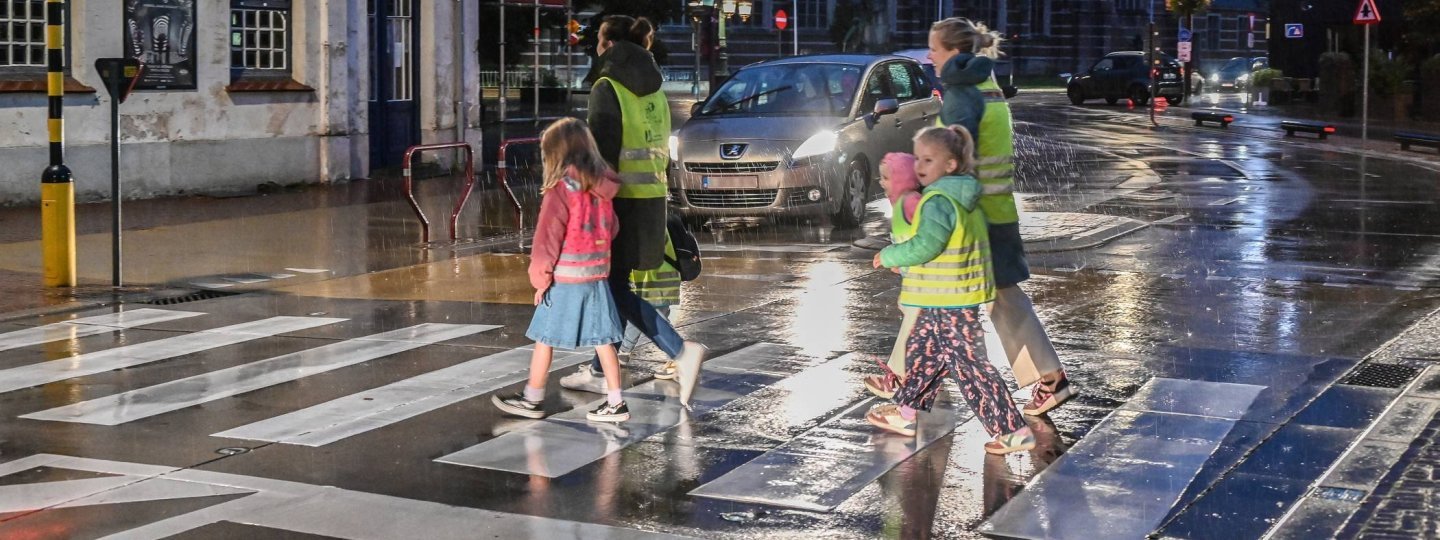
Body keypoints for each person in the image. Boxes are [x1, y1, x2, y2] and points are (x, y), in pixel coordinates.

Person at [929, 18, 1077, 415]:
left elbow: (951, 161)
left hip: (973, 218)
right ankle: (1051, 378)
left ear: (954, 53)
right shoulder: (987, 85)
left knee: (931, 299)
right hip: (996, 211)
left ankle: (907, 384)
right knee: (1001, 299)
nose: (929, 56)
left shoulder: (963, 94)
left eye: (935, 50)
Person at [867, 125, 1034, 455]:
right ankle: (905, 414)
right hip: (943, 298)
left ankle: (1012, 430)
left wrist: (890, 255)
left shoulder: (939, 201)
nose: (920, 166)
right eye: (917, 159)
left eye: (929, 159)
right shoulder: (961, 196)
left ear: (951, 165)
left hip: (950, 300)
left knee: (972, 368)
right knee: (923, 358)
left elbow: (927, 245)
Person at [570, 14, 708, 407]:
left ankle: (679, 349)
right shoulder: (656, 90)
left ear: (610, 44)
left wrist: (589, 202)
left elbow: (602, 155)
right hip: (651, 201)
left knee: (612, 288)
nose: (596, 45)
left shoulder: (607, 87)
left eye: (598, 39)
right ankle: (601, 369)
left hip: (617, 204)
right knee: (616, 286)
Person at [492, 118, 630, 423]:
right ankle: (616, 402)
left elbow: (546, 240)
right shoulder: (601, 189)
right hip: (597, 275)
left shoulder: (561, 191)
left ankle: (532, 398)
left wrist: (540, 280)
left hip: (566, 276)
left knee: (545, 338)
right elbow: (614, 228)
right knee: (603, 339)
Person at [864, 152, 922, 399]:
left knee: (912, 328)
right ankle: (909, 377)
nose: (881, 182)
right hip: (916, 282)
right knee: (916, 329)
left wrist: (893, 257)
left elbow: (922, 243)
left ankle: (899, 378)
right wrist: (900, 262)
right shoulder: (901, 205)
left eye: (886, 178)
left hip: (926, 286)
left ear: (902, 178)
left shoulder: (911, 203)